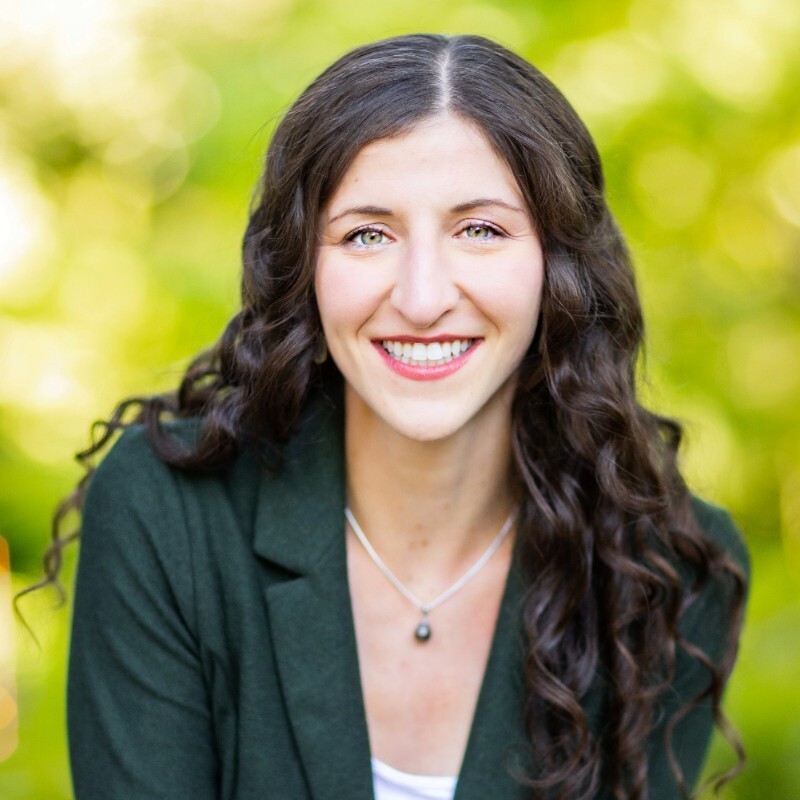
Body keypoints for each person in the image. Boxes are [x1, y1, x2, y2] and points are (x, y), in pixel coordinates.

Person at [50, 33, 748, 800]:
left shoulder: (665, 572)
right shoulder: (167, 516)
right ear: (303, 267)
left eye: (479, 230)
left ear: (559, 265)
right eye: (367, 235)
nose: (421, 299)